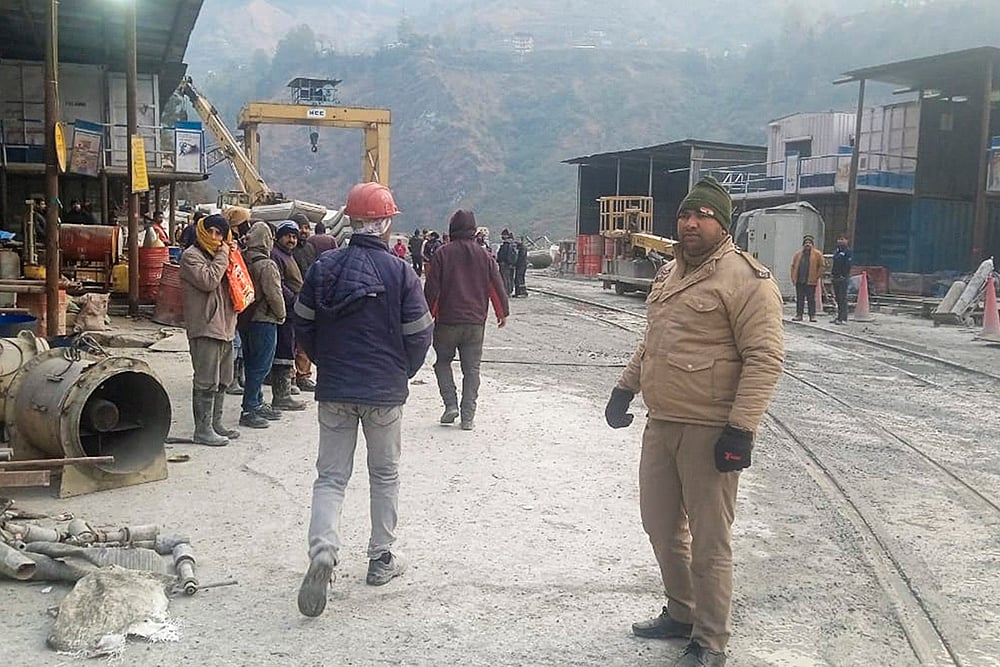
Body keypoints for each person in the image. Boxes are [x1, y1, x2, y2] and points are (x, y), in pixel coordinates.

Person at [604, 177, 783, 667]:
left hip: (710, 429)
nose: (690, 222)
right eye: (686, 214)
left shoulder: (747, 280)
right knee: (660, 525)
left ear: (721, 223)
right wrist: (625, 388)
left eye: (703, 215)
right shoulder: (668, 274)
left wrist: (741, 430)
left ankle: (710, 639)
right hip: (662, 423)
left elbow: (764, 358)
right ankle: (681, 611)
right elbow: (653, 341)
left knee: (709, 539)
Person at [294, 182, 432, 617]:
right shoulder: (402, 273)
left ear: (351, 221)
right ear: (387, 222)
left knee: (331, 478)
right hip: (384, 392)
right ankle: (380, 559)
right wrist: (401, 372)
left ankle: (323, 552)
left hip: (336, 388)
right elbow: (420, 333)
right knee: (385, 476)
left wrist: (324, 362)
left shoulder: (323, 268)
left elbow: (303, 324)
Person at [424, 210, 509, 430]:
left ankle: (450, 404)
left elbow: (433, 289)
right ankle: (468, 416)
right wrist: (502, 312)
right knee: (472, 370)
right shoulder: (485, 256)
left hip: (447, 321)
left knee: (442, 362)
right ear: (473, 229)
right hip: (475, 323)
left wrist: (426, 315)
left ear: (453, 228)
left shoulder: (442, 253)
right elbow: (496, 286)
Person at [179, 214, 241, 447]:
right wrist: (225, 253)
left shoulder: (222, 255)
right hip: (205, 326)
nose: (215, 237)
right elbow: (209, 280)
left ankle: (216, 423)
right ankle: (202, 429)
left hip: (226, 325)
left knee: (224, 378)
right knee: (206, 380)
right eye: (211, 232)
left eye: (220, 233)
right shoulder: (191, 256)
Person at [237, 222, 286, 428]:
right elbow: (274, 294)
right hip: (264, 319)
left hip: (245, 319)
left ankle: (256, 401)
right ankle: (250, 408)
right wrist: (281, 315)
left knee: (250, 363)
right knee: (261, 366)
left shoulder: (242, 260)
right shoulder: (267, 265)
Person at [270, 221, 307, 410]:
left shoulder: (287, 256)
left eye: (294, 236)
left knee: (288, 349)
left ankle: (284, 392)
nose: (292, 240)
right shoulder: (276, 256)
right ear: (279, 237)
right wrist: (293, 299)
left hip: (292, 311)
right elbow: (279, 284)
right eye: (288, 236)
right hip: (284, 310)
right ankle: (281, 396)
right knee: (283, 352)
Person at [790, 234, 824, 322]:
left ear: (812, 244)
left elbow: (821, 266)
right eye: (806, 243)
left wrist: (817, 276)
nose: (807, 244)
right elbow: (793, 266)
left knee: (811, 299)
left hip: (811, 281)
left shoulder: (817, 254)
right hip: (800, 280)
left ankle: (812, 315)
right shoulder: (798, 255)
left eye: (809, 243)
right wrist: (793, 277)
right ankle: (799, 315)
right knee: (800, 299)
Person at [831, 234, 853, 325]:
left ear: (847, 241)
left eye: (842, 239)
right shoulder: (836, 251)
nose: (840, 241)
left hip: (843, 278)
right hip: (835, 277)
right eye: (839, 239)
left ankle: (843, 317)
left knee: (842, 298)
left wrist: (844, 275)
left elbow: (848, 265)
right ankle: (839, 316)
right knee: (838, 298)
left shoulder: (848, 252)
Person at [496, 229, 516, 296]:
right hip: (508, 264)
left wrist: (503, 261)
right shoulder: (511, 244)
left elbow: (505, 255)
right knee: (508, 278)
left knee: (505, 278)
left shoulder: (507, 245)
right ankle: (508, 291)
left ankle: (506, 292)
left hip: (504, 263)